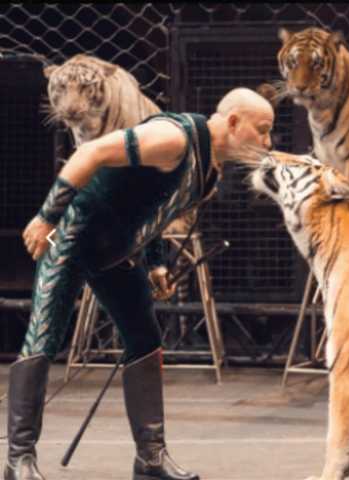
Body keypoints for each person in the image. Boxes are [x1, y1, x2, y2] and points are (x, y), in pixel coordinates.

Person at [8, 88, 274, 480]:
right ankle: (19, 460)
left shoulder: (209, 174)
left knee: (145, 340)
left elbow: (151, 212)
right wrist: (47, 217)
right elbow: (90, 153)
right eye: (263, 130)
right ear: (234, 122)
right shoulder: (173, 138)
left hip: (117, 251)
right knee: (44, 337)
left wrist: (155, 267)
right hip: (72, 238)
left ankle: (150, 458)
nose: (267, 142)